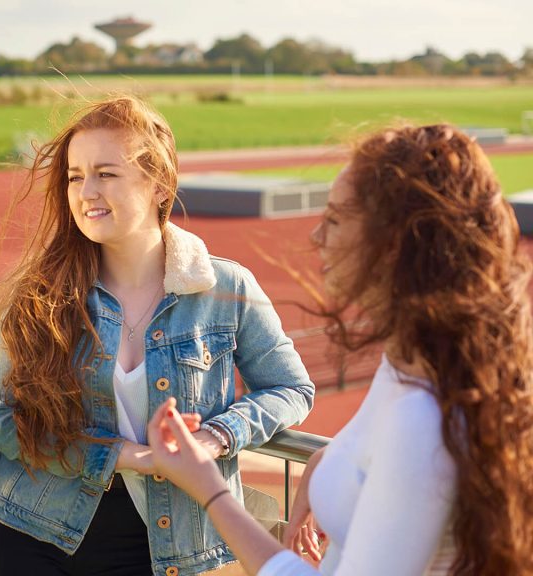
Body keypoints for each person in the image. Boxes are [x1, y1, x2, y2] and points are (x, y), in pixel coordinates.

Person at [147, 124, 533, 575]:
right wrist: (324, 462)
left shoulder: (422, 417)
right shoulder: (409, 362)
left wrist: (209, 490)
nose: (316, 238)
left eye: (334, 220)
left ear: (392, 244)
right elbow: (373, 443)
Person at [0, 96, 315, 575]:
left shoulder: (226, 289)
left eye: (106, 174)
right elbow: (7, 419)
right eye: (75, 176)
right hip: (25, 530)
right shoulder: (41, 294)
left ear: (158, 184)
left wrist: (216, 437)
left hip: (164, 548)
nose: (86, 192)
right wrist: (130, 456)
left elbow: (291, 388)